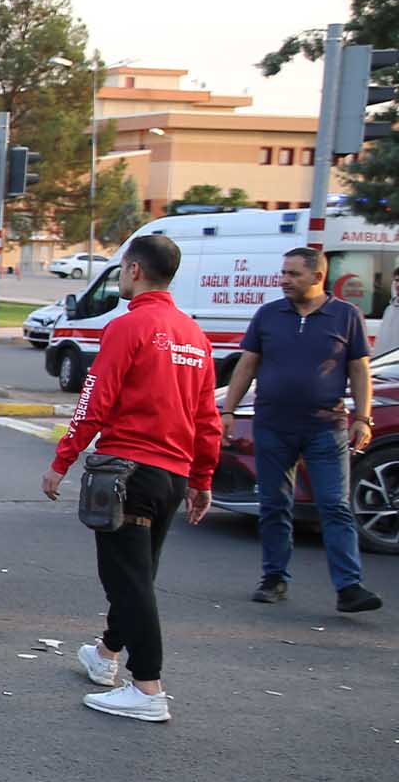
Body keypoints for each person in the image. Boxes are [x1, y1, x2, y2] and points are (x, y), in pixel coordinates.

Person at [42, 235, 221, 723]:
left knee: (127, 580)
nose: (121, 276)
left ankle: (148, 688)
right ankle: (105, 656)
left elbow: (93, 401)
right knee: (137, 576)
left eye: (122, 269)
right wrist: (203, 480)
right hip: (173, 476)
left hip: (128, 473)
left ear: (135, 270)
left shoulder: (128, 327)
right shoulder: (193, 335)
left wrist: (63, 459)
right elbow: (208, 416)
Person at [218, 247, 382, 613]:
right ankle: (274, 578)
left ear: (316, 277)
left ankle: (349, 587)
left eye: (293, 274)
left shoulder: (345, 315)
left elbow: (359, 370)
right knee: (274, 504)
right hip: (273, 425)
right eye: (283, 273)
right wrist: (228, 410)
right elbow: (247, 366)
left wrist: (363, 418)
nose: (284, 280)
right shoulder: (268, 315)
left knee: (334, 506)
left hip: (326, 426)